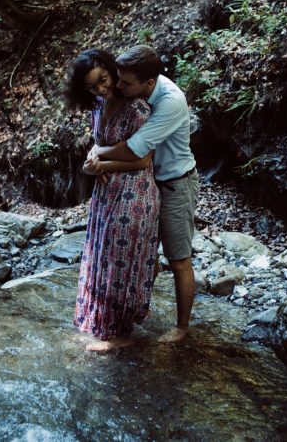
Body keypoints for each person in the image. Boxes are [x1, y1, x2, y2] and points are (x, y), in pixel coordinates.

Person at [86, 45, 199, 343]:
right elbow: (108, 132)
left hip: (175, 184)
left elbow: (136, 148)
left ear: (149, 83)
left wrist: (98, 155)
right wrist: (95, 154)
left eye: (125, 82)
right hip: (145, 185)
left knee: (178, 260)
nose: (118, 87)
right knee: (141, 257)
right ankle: (129, 319)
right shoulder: (136, 91)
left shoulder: (170, 102)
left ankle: (182, 327)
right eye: (119, 79)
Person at [67, 49, 160, 351]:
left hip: (135, 193)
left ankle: (120, 334)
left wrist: (102, 166)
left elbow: (143, 160)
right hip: (106, 194)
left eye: (104, 81)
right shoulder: (97, 105)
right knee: (100, 256)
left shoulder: (137, 110)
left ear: (112, 71)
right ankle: (98, 322)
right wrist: (89, 165)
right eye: (92, 87)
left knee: (120, 261)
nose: (101, 89)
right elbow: (96, 145)